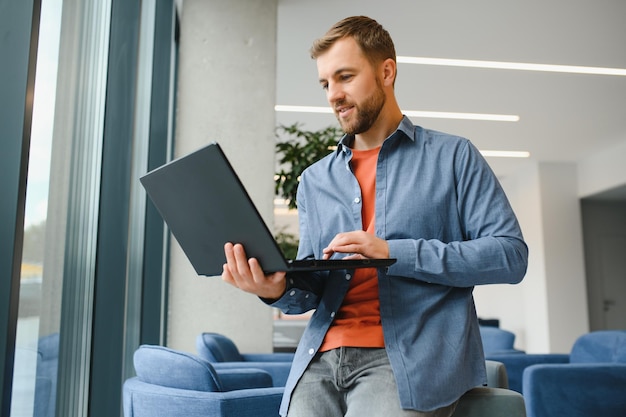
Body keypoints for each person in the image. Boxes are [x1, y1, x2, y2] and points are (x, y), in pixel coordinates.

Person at [221, 15, 528, 417]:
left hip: (409, 359)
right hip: (319, 359)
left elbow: (509, 256)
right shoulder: (315, 180)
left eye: (345, 76)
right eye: (325, 83)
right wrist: (274, 289)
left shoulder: (453, 157)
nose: (334, 94)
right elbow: (314, 287)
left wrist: (392, 252)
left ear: (387, 71)